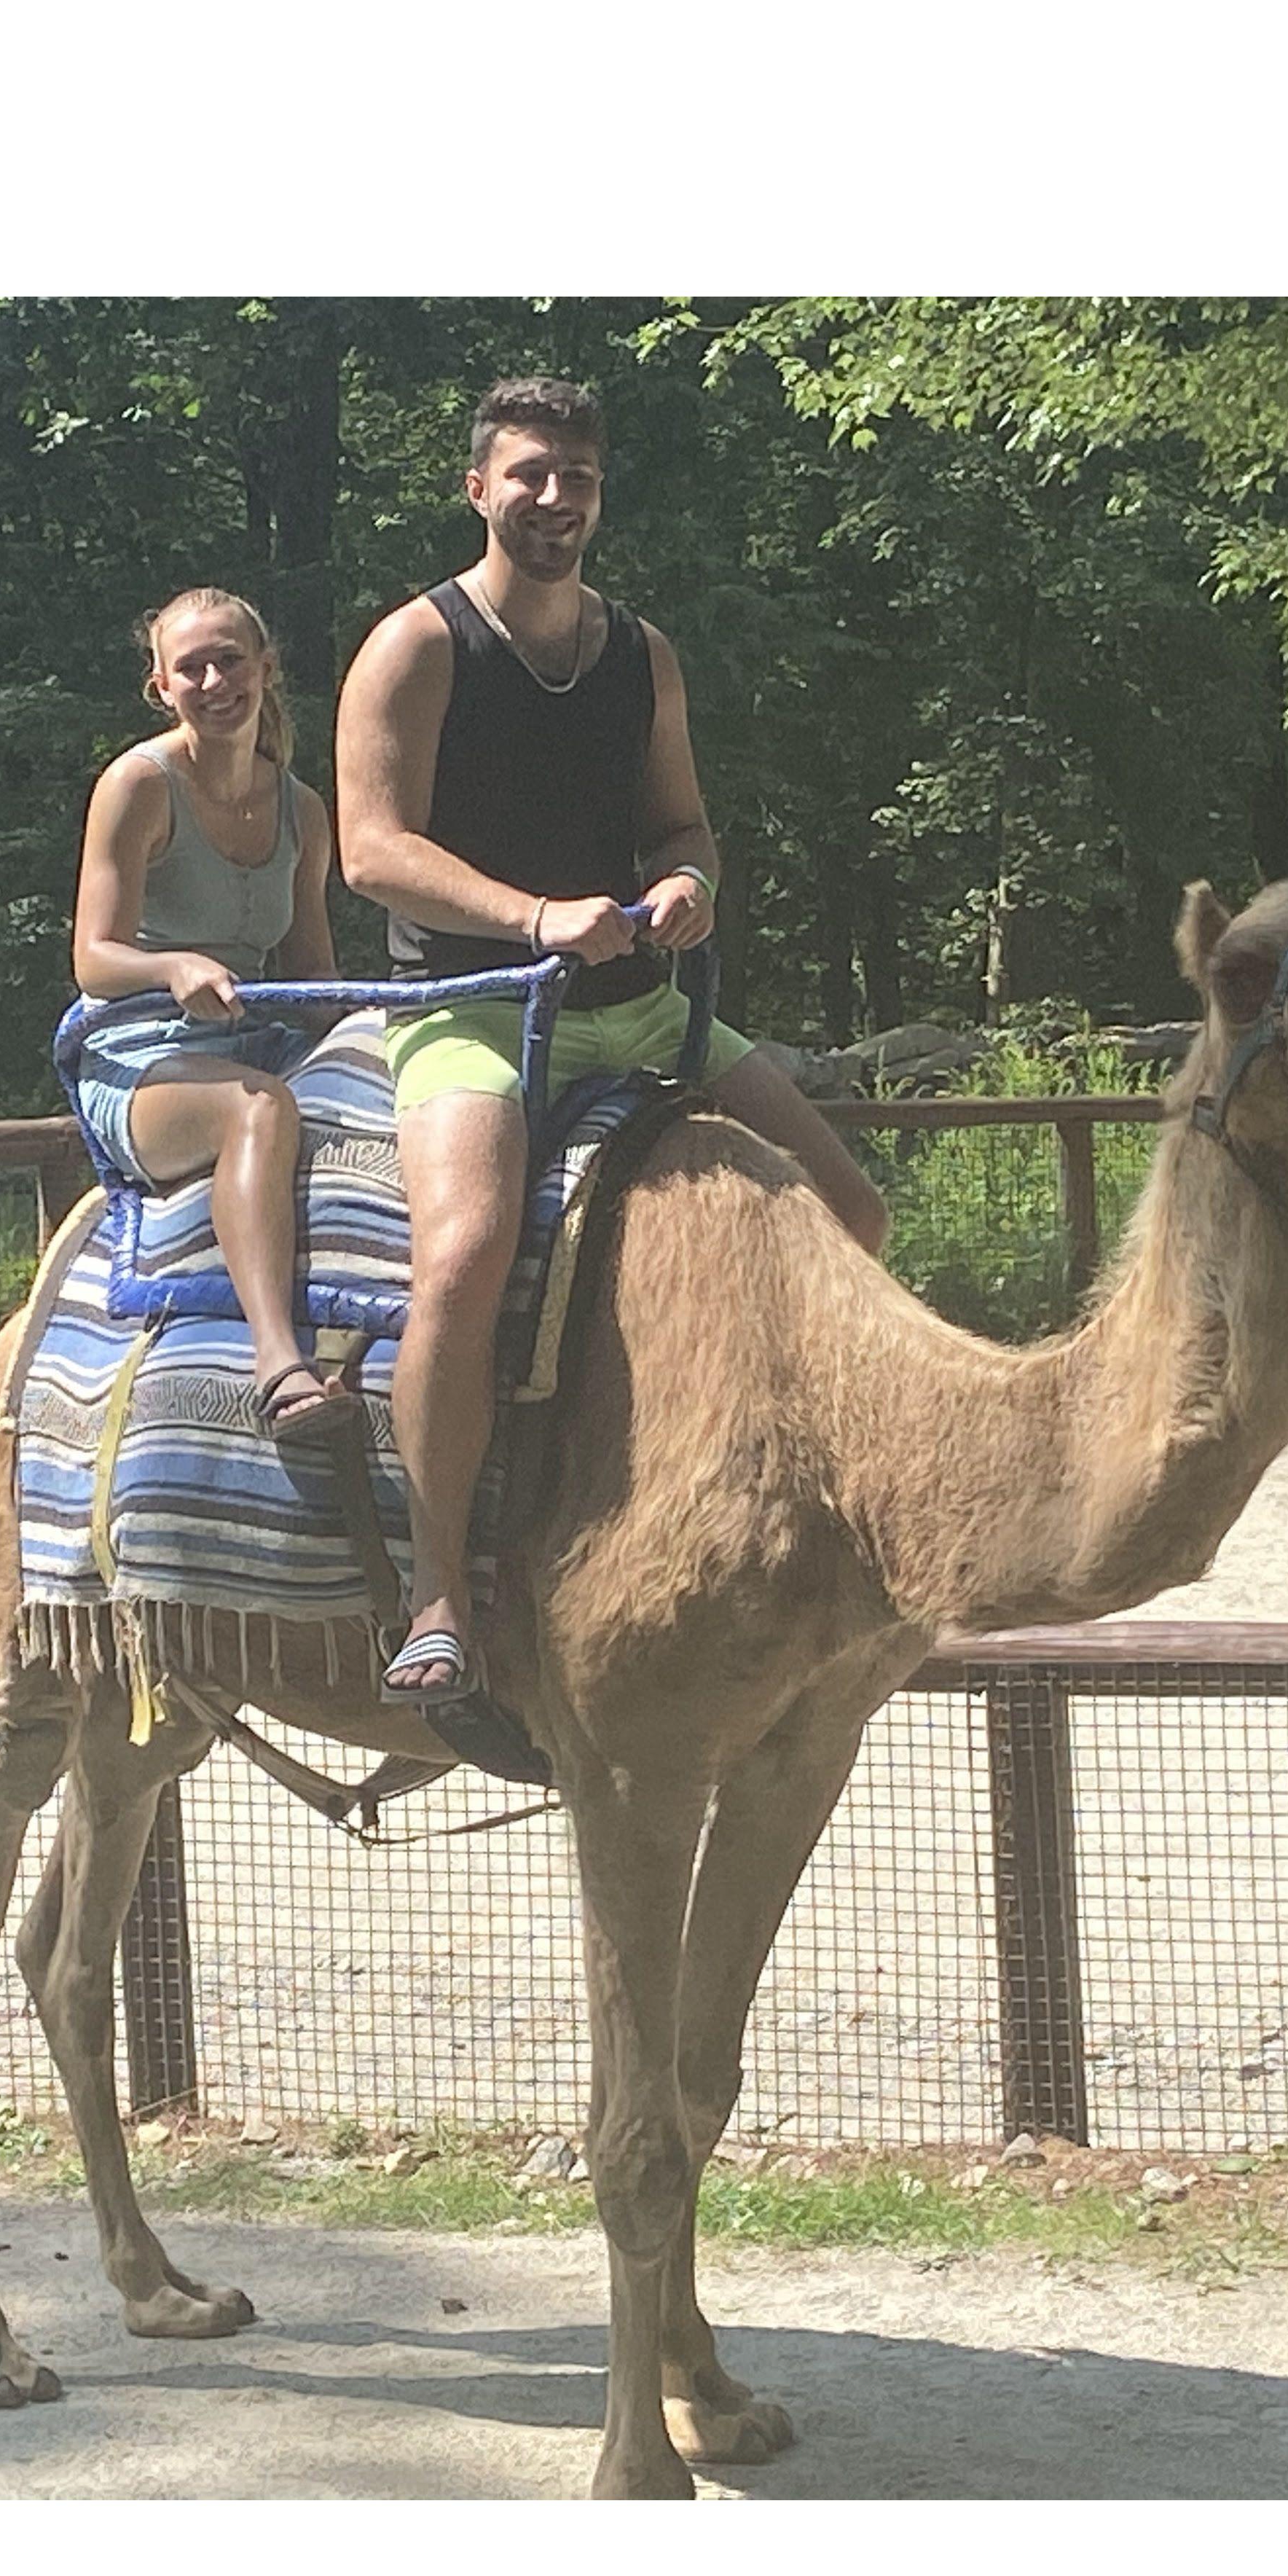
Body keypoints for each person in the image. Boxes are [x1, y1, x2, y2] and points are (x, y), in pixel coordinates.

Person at [335, 374, 890, 1704]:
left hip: (637, 1003)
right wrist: (533, 915)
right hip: (465, 1009)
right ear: (477, 488)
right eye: (527, 473)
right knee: (462, 1258)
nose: (553, 499)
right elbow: (368, 851)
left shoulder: (638, 652)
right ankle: (433, 1585)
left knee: (853, 1212)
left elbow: (682, 827)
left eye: (575, 477)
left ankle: (772, 1493)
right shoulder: (415, 645)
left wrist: (689, 887)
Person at [70, 587, 352, 1439]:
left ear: (266, 671)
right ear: (162, 688)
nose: (214, 680)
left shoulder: (304, 810)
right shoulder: (138, 785)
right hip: (138, 1053)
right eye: (190, 667)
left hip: (253, 1035)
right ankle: (280, 1365)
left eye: (230, 660)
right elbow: (93, 957)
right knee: (256, 1112)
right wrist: (172, 966)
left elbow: (311, 972)